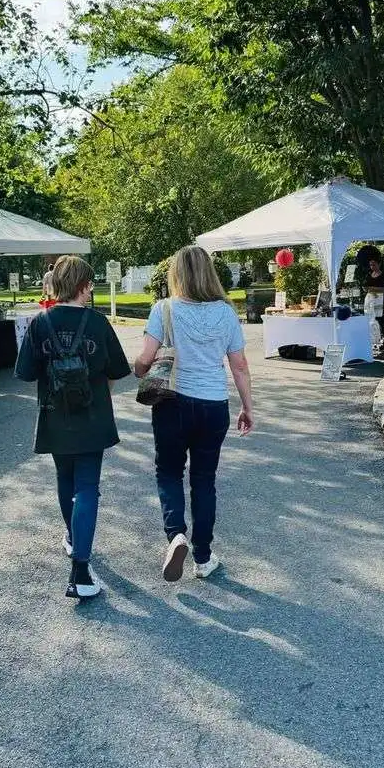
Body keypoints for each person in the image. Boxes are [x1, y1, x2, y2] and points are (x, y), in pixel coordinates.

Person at [15, 255, 131, 600]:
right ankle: (80, 567)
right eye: (90, 284)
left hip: (54, 415)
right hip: (92, 417)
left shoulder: (40, 323)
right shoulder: (97, 323)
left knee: (65, 481)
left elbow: (27, 373)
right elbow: (115, 372)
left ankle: (72, 538)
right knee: (88, 487)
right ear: (83, 286)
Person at [135, 246, 253, 582]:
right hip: (214, 405)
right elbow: (240, 365)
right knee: (204, 481)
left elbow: (145, 358)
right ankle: (203, 557)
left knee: (169, 472)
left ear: (176, 274)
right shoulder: (227, 313)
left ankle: (176, 535)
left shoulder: (164, 309)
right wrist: (247, 407)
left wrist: (139, 369)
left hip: (172, 402)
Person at [365, 256, 384, 349]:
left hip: (380, 300)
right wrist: (370, 289)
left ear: (379, 264)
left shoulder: (383, 275)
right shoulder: (369, 274)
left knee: (380, 319)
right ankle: (374, 339)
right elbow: (366, 287)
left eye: (374, 264)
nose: (372, 267)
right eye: (371, 265)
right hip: (370, 299)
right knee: (371, 319)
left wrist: (373, 289)